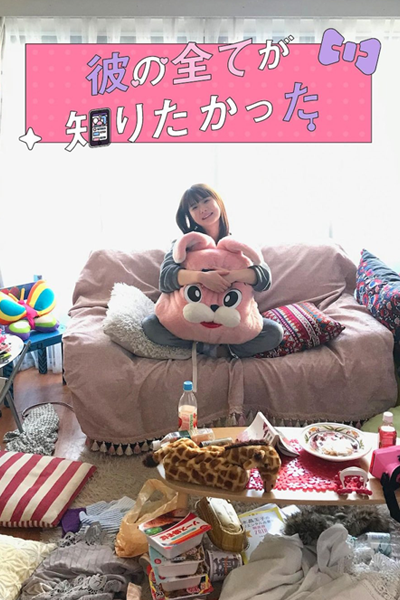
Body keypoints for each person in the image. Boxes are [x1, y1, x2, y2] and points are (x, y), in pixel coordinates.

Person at [143, 183, 283, 358]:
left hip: (232, 321)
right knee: (151, 326)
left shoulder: (238, 243)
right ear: (189, 215)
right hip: (191, 320)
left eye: (206, 201)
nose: (202, 209)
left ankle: (224, 347)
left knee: (274, 333)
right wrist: (202, 277)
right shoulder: (185, 243)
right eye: (194, 207)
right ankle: (203, 345)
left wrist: (231, 276)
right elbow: (166, 279)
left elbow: (264, 278)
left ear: (218, 202)